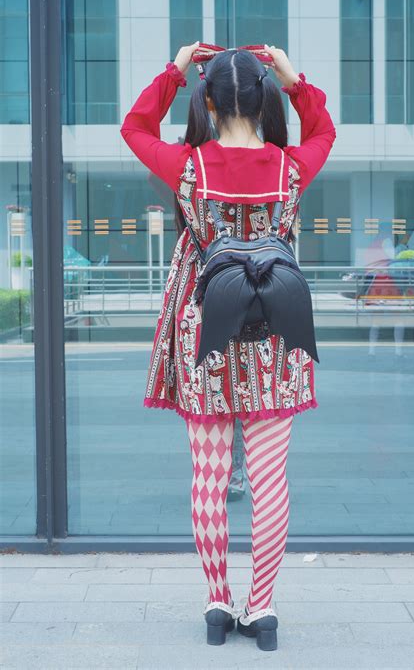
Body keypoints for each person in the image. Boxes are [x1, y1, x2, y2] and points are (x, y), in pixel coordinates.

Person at [120, 41, 336, 651]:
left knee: (210, 476)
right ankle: (260, 611)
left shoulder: (189, 169)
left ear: (208, 103)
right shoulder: (292, 168)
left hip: (205, 332)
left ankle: (217, 603)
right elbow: (324, 128)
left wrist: (175, 67)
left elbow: (134, 126)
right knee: (270, 482)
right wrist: (295, 80)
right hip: (276, 334)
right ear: (264, 100)